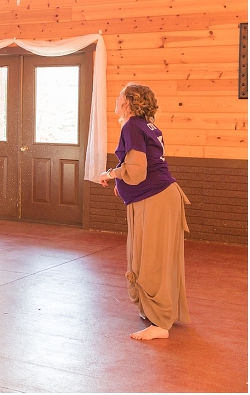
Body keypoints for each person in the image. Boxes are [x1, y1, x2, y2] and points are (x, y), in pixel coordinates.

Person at [100, 82, 191, 341]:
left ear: (128, 102)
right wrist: (121, 183)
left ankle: (161, 323)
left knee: (152, 258)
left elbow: (137, 171)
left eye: (119, 96)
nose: (115, 99)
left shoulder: (131, 126)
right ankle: (158, 311)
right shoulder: (146, 125)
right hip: (159, 196)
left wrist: (111, 174)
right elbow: (146, 164)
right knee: (156, 255)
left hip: (155, 198)